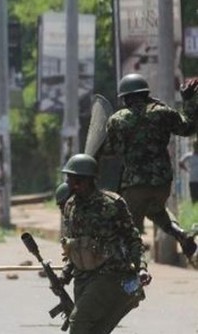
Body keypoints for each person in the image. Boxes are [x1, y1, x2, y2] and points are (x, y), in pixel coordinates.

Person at [103, 73, 198, 257]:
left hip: (135, 184)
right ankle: (180, 234)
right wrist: (188, 100)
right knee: (156, 210)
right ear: (146, 94)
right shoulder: (162, 112)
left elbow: (110, 150)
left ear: (126, 98)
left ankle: (136, 269)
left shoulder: (117, 119)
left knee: (129, 229)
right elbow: (189, 127)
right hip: (162, 183)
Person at [59, 154, 150, 334]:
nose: (71, 184)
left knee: (78, 323)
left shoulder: (112, 204)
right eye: (69, 180)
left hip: (108, 275)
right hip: (82, 277)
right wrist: (64, 275)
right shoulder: (70, 206)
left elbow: (132, 238)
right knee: (94, 330)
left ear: (88, 181)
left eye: (76, 180)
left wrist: (142, 267)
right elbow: (74, 246)